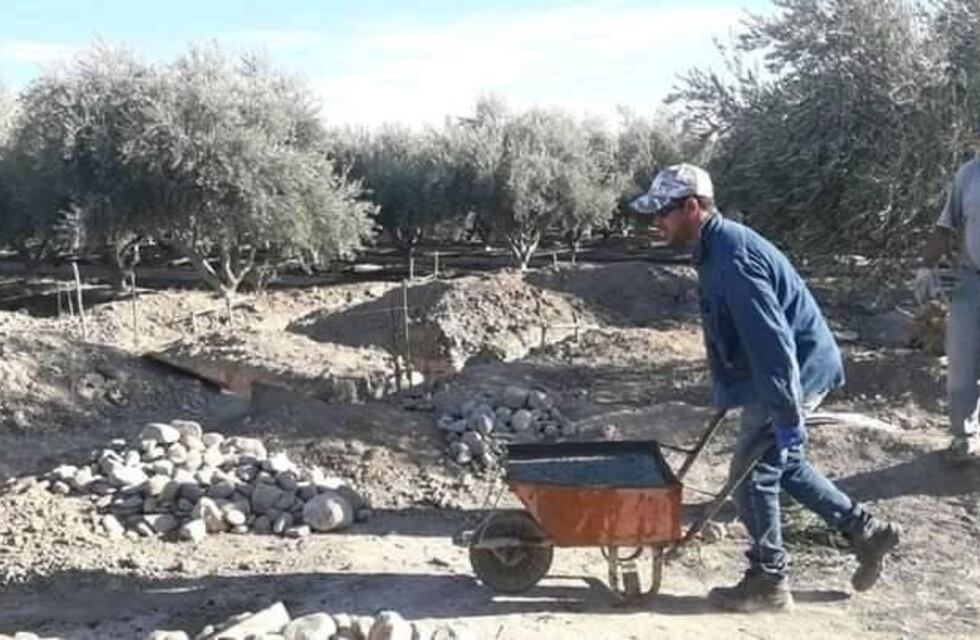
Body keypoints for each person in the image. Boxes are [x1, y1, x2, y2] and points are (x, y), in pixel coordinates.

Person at [630, 164, 901, 613]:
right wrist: (734, 390)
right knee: (784, 466)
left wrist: (785, 411)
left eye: (661, 212)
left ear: (692, 207)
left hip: (795, 371)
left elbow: (771, 343)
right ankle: (867, 533)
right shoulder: (713, 248)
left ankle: (769, 582)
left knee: (752, 474)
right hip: (781, 370)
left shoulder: (732, 256)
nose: (655, 221)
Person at [916, 155, 980, 463]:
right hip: (972, 280)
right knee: (962, 362)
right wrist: (926, 267)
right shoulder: (969, 174)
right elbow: (945, 227)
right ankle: (963, 437)